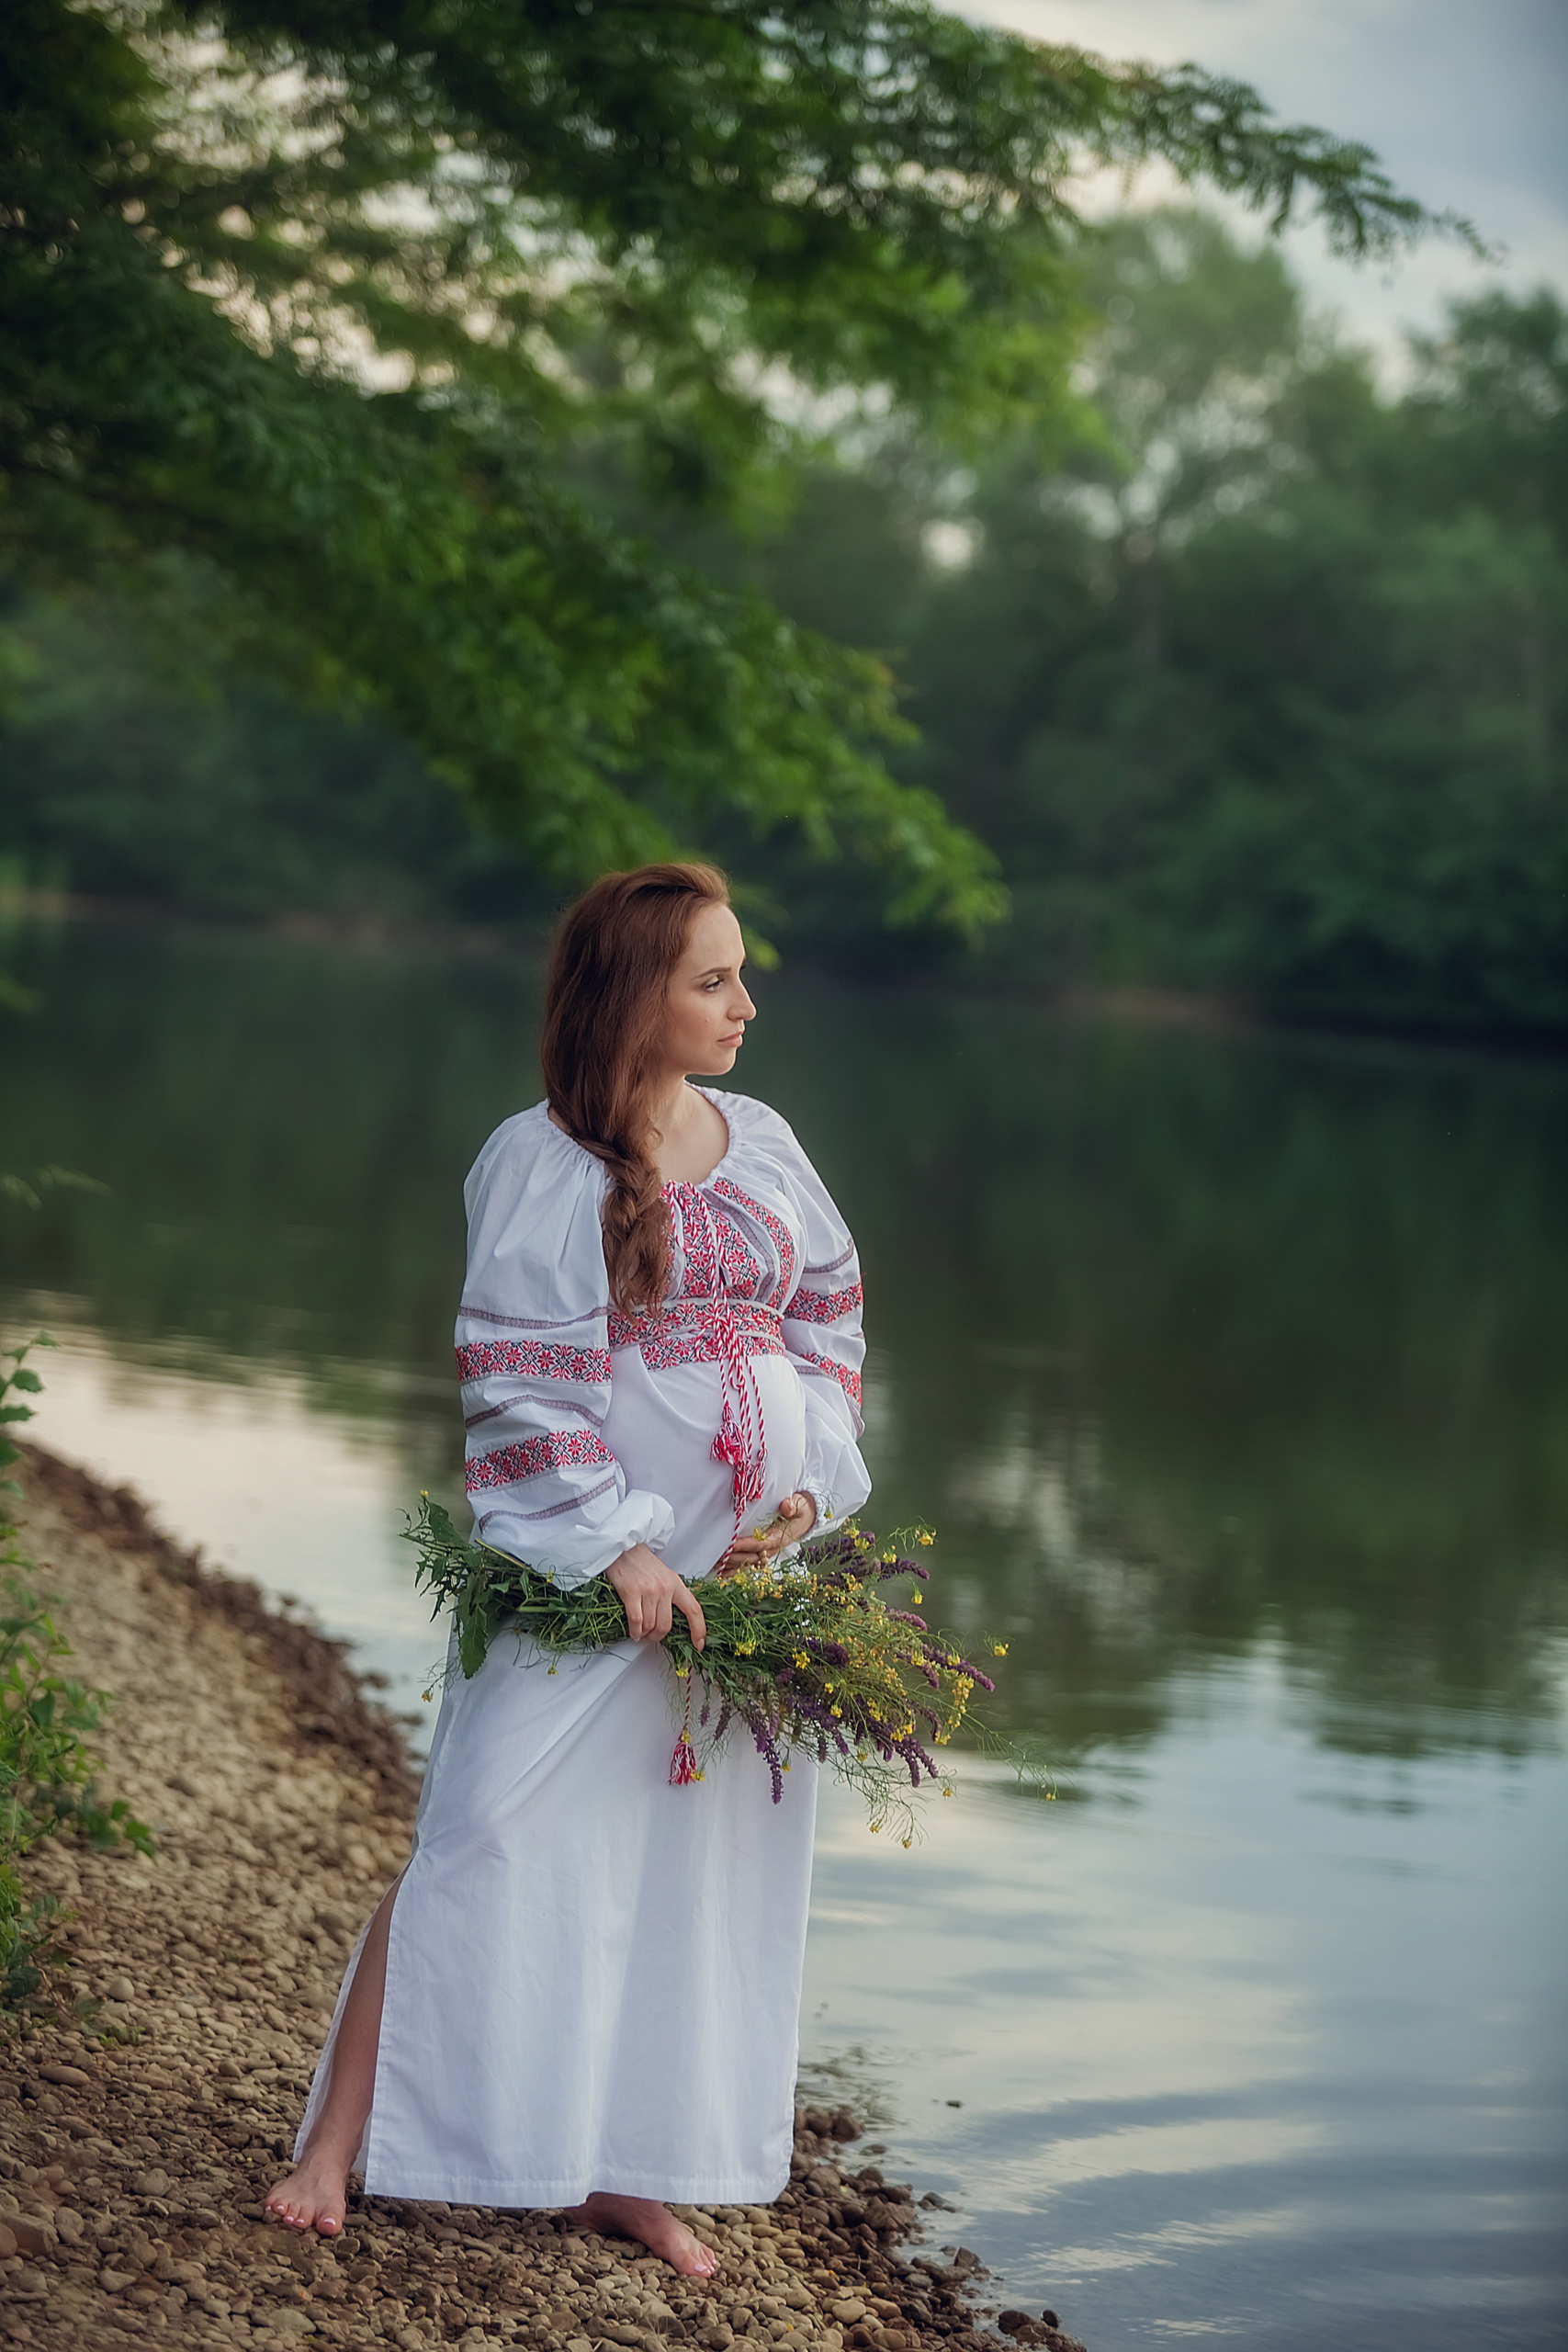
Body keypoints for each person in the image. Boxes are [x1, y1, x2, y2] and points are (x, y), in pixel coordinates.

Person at [265, 863, 871, 2277]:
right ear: (631, 998)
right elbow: (522, 1382)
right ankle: (337, 2145)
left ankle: (617, 2168)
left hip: (748, 1576)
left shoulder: (765, 1140)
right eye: (711, 979)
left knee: (676, 1865)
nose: (744, 1003)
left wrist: (804, 1486)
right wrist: (616, 1546)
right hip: (599, 1572)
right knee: (481, 1833)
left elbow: (831, 1317)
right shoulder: (544, 1161)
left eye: (741, 974)